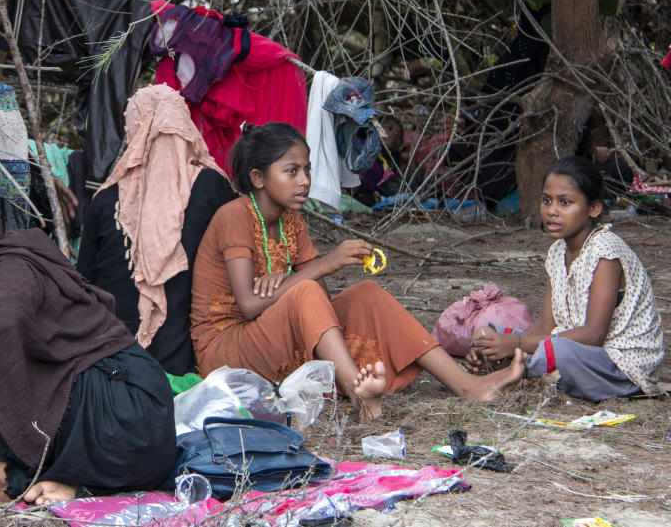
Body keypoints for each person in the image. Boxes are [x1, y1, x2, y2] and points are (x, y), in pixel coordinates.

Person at [190, 122, 524, 423]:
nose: (304, 181)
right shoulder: (234, 216)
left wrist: (289, 280)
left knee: (366, 293)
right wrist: (323, 265)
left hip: (266, 332)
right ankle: (359, 393)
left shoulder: (293, 220)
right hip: (225, 349)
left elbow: (319, 301)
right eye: (291, 171)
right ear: (259, 178)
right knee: (302, 291)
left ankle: (465, 384)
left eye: (307, 170)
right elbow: (248, 305)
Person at [0, 187, 176, 506]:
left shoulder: (8, 267)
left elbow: (2, 327)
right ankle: (64, 483)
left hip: (131, 412)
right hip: (113, 414)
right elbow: (28, 376)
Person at [468, 157, 665, 401]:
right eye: (547, 200)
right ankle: (513, 365)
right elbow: (545, 324)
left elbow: (594, 336)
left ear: (594, 208)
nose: (551, 211)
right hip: (574, 347)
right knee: (486, 333)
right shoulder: (557, 252)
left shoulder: (606, 251)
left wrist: (516, 343)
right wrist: (507, 344)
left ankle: (514, 369)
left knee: (559, 352)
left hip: (619, 365)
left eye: (565, 202)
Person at [77, 85, 235, 374]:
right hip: (186, 362)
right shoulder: (213, 186)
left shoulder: (106, 199)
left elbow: (83, 282)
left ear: (134, 130)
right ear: (184, 125)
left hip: (107, 360)